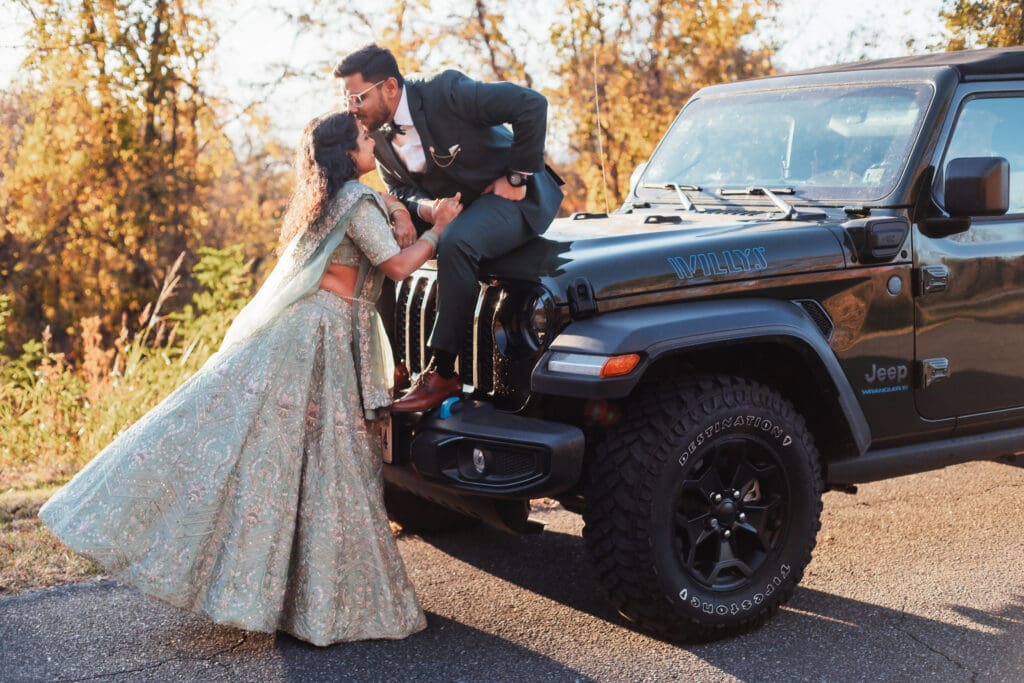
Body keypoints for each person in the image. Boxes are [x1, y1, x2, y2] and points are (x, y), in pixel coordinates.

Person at [37, 111, 464, 647]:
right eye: (361, 138)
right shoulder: (354, 200)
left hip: (308, 332)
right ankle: (325, 606)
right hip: (320, 340)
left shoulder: (333, 200)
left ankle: (293, 601)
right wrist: (441, 231)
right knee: (330, 463)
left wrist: (398, 207)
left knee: (295, 462)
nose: (371, 142)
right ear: (344, 153)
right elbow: (399, 268)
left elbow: (378, 233)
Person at [335, 44, 564, 412]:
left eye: (358, 97)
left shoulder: (447, 92)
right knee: (380, 242)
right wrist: (416, 210)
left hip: (516, 200)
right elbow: (398, 188)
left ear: (390, 87)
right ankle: (393, 367)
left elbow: (531, 104)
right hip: (461, 209)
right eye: (346, 98)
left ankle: (442, 373)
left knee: (455, 243)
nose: (351, 107)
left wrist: (517, 177)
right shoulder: (374, 133)